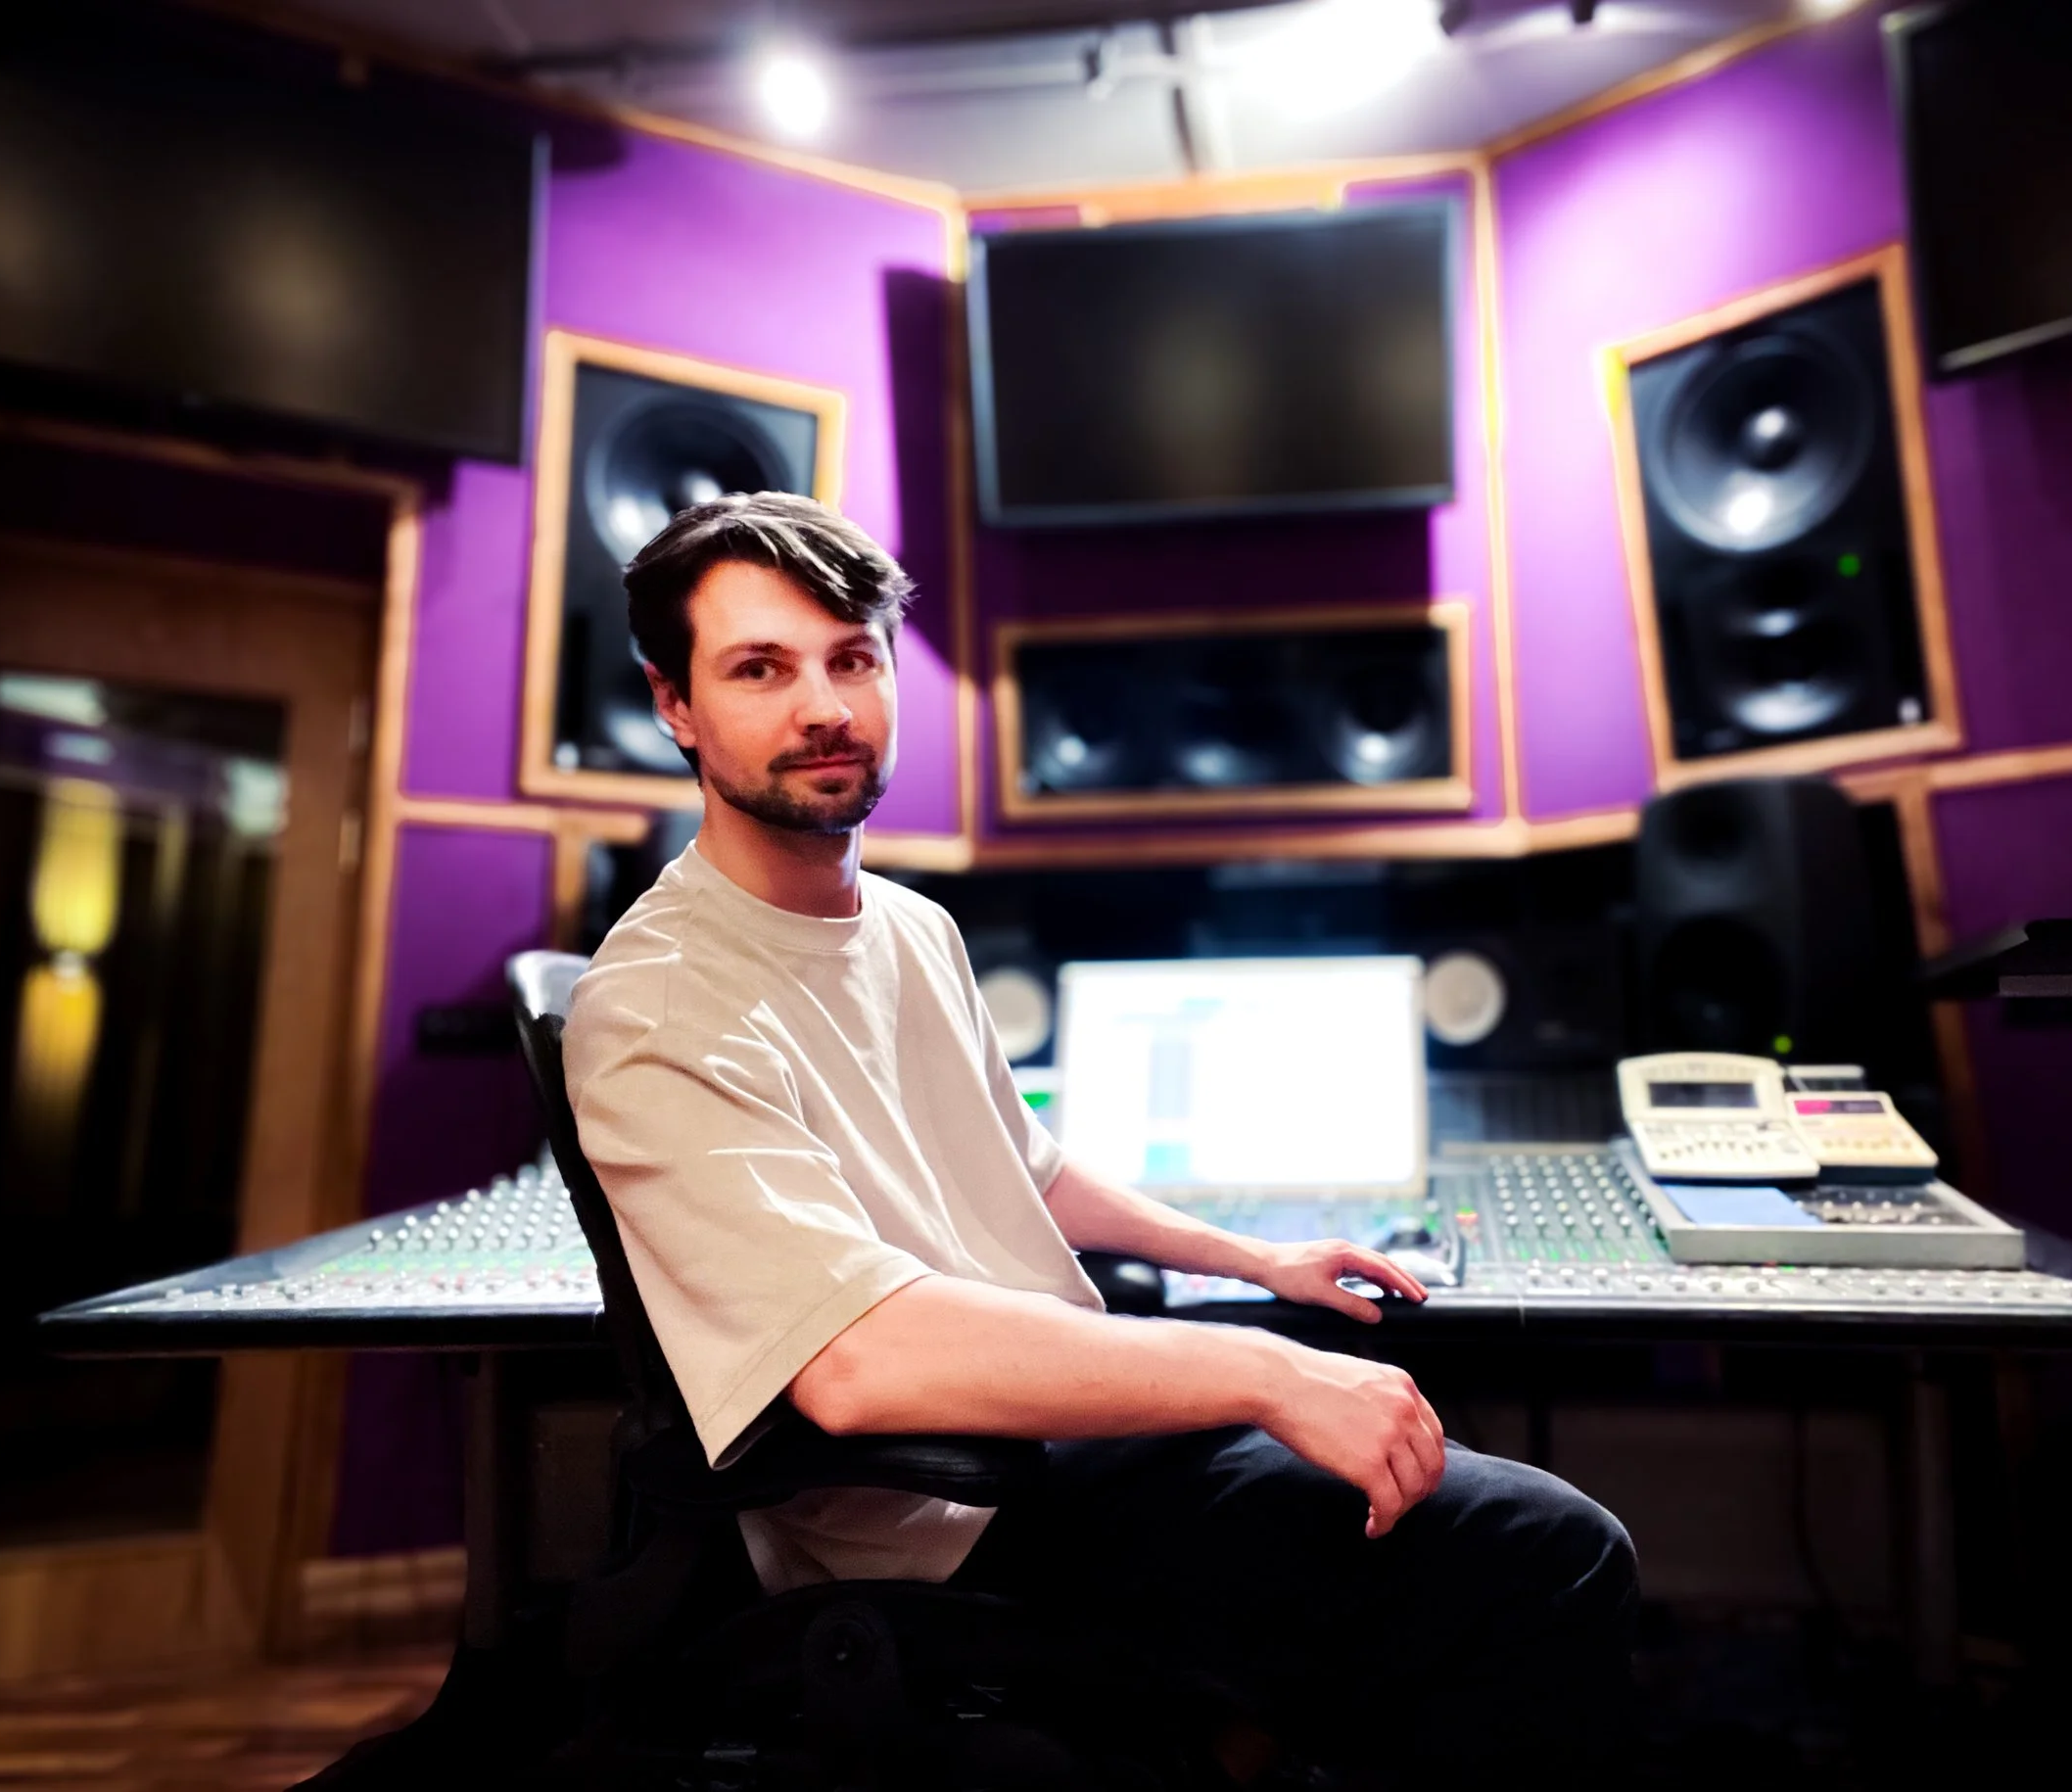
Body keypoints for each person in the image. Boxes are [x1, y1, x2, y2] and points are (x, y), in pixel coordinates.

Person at [563, 492, 1635, 1786]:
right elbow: (848, 1367)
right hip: (943, 1525)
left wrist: (1256, 1261)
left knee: (1427, 1517)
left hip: (1051, 1442)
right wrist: (1262, 1369)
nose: (825, 706)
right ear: (673, 704)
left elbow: (1030, 1168)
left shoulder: (907, 927)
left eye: (853, 657)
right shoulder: (661, 1001)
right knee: (1548, 1550)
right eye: (760, 668)